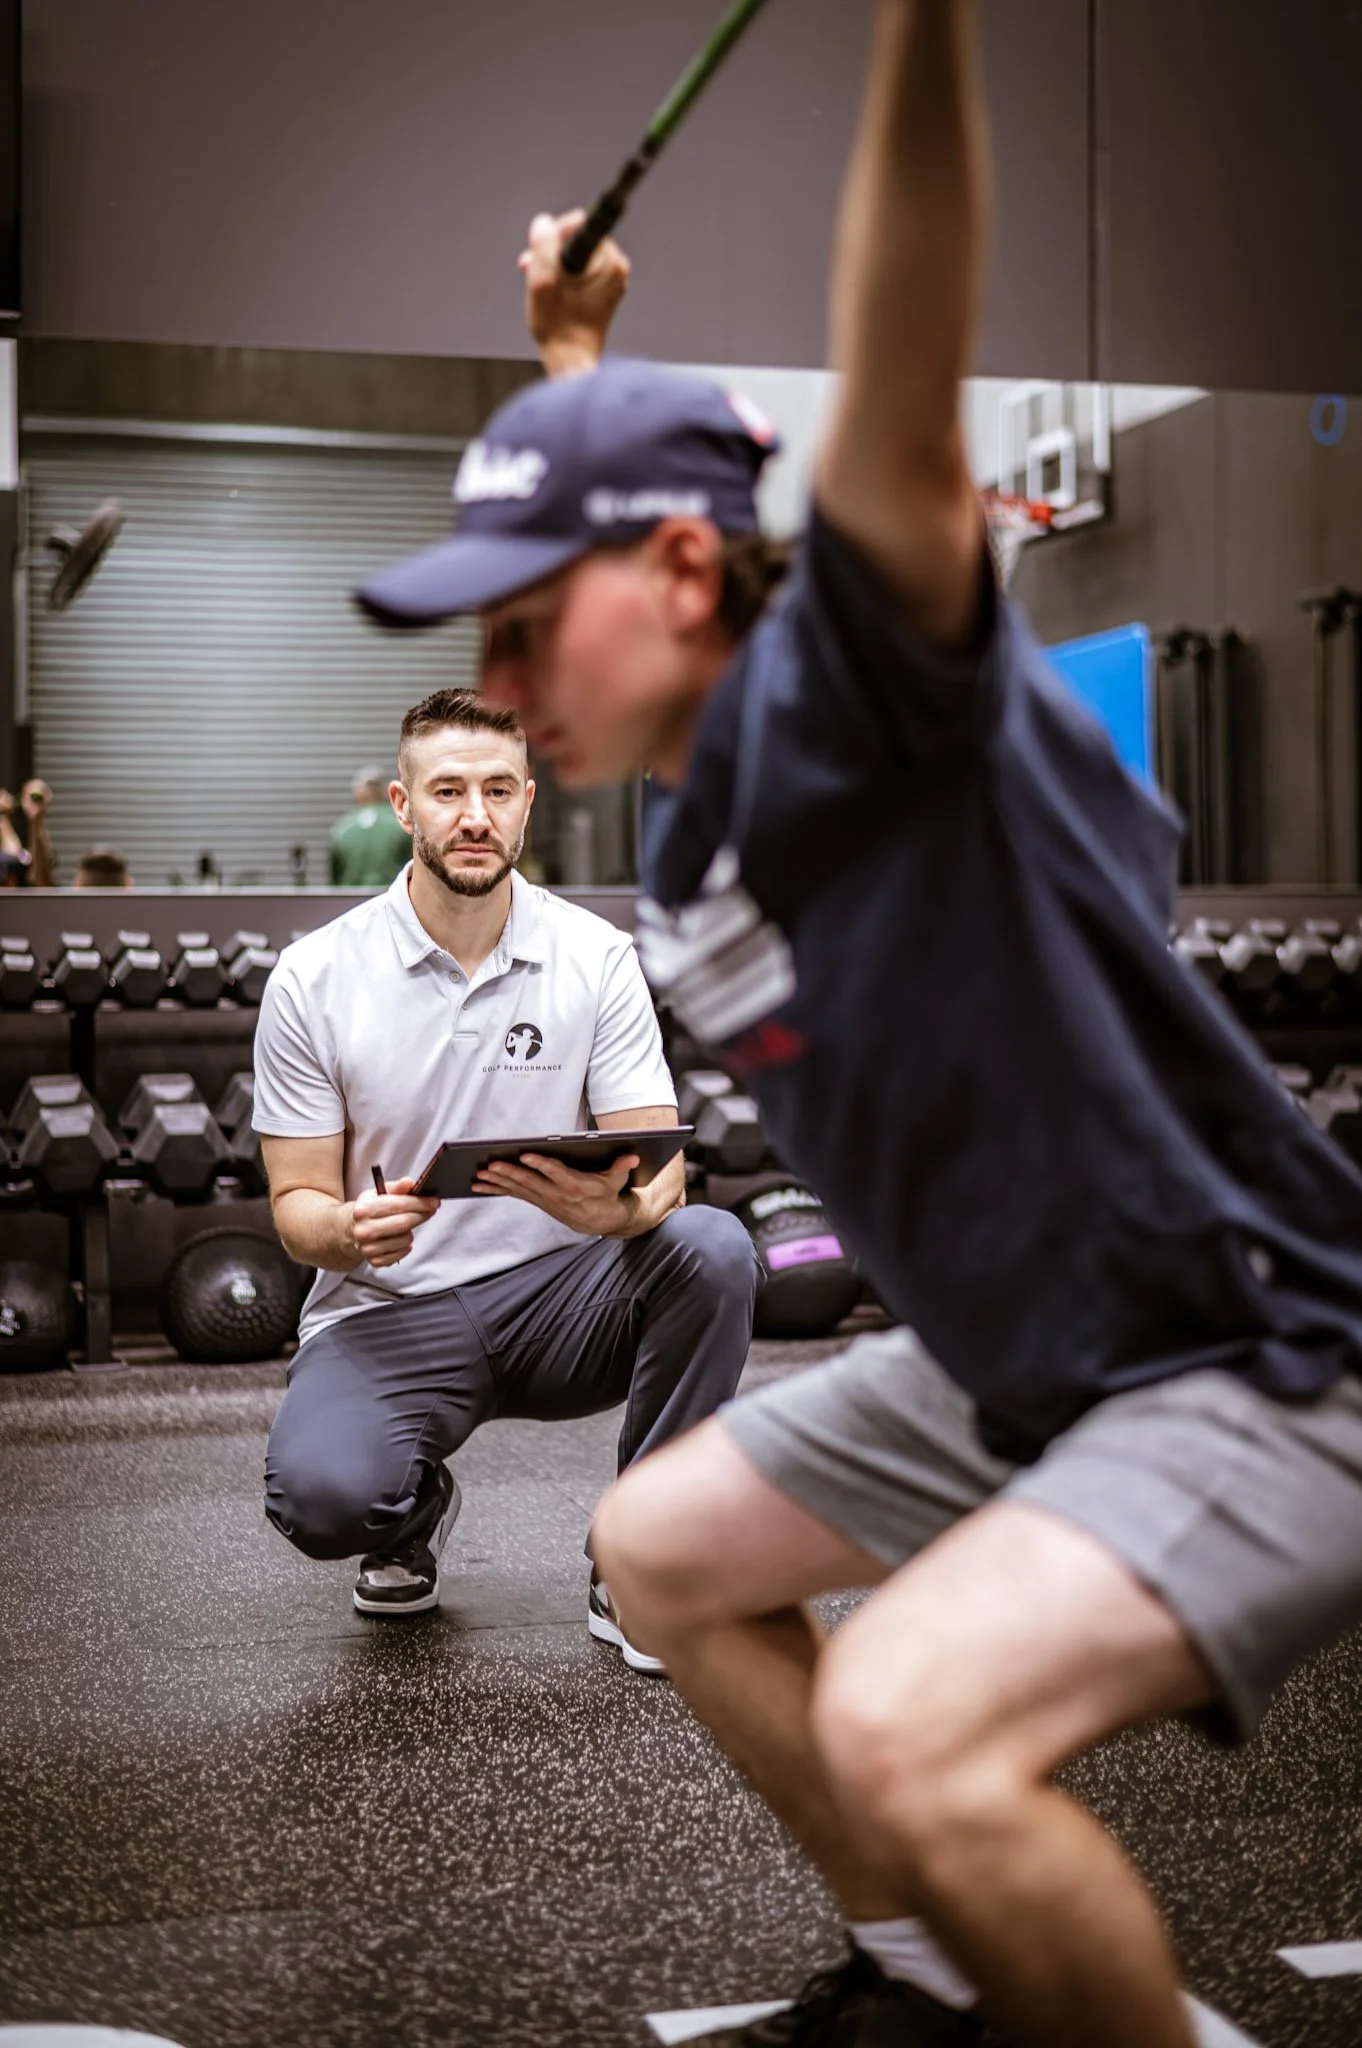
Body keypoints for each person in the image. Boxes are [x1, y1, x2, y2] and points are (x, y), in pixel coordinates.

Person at [353, 5, 1362, 2043]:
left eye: (532, 613)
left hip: (1243, 1352)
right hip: (1015, 1361)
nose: (504, 669)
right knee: (662, 1541)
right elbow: (637, 500)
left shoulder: (866, 680)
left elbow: (898, 350)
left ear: (693, 565)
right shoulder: (710, 787)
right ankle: (924, 1979)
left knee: (908, 1715)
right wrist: (580, 363)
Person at [254, 688, 758, 1663]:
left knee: (712, 1247)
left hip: (562, 1298)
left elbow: (665, 1178)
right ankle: (407, 1510)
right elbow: (295, 1205)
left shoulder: (596, 956)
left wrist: (614, 1212)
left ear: (528, 801)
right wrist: (346, 1229)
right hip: (391, 1306)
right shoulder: (315, 977)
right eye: (447, 790)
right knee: (323, 1498)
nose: (474, 815)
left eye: (496, 790)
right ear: (404, 807)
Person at [328, 764, 415, 887]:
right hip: (390, 901)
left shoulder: (342, 829)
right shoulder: (402, 825)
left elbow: (335, 880)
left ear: (358, 793)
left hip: (349, 902)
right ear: (386, 792)